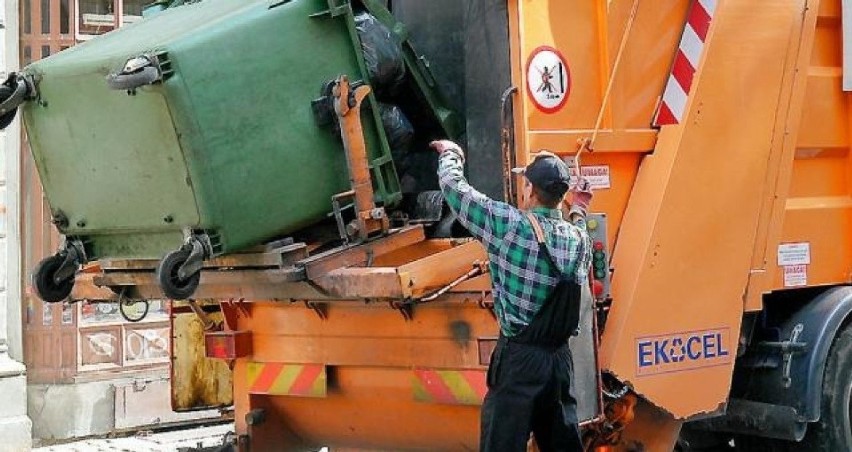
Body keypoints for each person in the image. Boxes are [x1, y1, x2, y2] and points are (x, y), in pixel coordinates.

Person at [432, 140, 593, 452]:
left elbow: (454, 187)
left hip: (519, 360)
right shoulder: (579, 242)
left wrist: (452, 152)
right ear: (561, 196)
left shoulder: (509, 226)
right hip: (560, 362)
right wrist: (580, 207)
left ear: (530, 189)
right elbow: (581, 229)